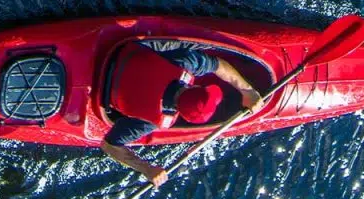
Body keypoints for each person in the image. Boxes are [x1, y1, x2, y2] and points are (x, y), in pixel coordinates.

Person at [100, 40, 264, 188]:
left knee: (191, 49)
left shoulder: (184, 63)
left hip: (120, 54)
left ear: (193, 87)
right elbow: (110, 145)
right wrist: (146, 169)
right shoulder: (152, 121)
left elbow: (218, 65)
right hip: (106, 89)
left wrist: (247, 90)